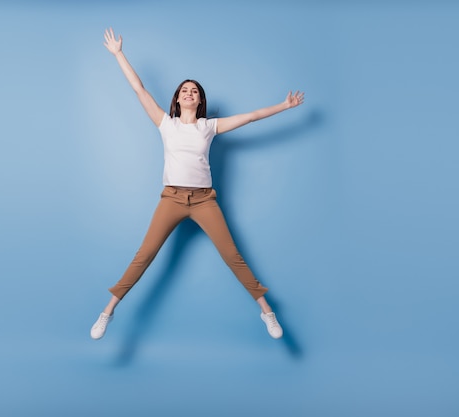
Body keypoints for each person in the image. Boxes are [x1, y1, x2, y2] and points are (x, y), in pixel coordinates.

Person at [91, 28, 304, 340]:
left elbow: (252, 117)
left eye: (195, 91)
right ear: (177, 98)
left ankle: (267, 312)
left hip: (205, 201)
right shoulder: (166, 124)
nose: (189, 92)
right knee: (144, 255)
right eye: (184, 90)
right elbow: (139, 89)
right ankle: (107, 312)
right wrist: (118, 54)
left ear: (200, 100)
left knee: (233, 256)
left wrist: (284, 107)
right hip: (172, 200)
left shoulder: (208, 126)